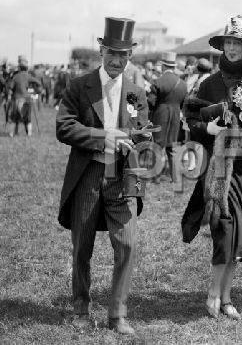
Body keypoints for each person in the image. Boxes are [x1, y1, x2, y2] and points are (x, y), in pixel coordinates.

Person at [181, 15, 242, 321]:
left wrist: (239, 135)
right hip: (218, 170)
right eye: (229, 42)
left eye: (239, 43)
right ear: (223, 45)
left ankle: (226, 297)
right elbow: (192, 119)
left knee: (241, 237)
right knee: (223, 231)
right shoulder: (208, 83)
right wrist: (207, 130)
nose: (233, 48)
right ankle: (212, 294)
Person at [56, 17, 148, 335]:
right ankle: (80, 308)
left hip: (121, 178)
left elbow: (143, 136)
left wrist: (134, 174)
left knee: (128, 244)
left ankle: (117, 314)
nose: (116, 60)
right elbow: (64, 126)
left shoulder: (136, 94)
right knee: (82, 246)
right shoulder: (80, 86)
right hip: (88, 174)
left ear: (130, 57)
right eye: (111, 53)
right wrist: (103, 136)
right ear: (101, 50)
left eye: (122, 55)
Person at [148, 51, 187, 182]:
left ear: (163, 66)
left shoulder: (157, 81)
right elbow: (183, 103)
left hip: (160, 114)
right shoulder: (182, 83)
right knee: (173, 147)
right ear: (173, 66)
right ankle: (176, 177)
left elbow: (151, 102)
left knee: (157, 146)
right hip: (176, 115)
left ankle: (156, 177)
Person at [6, 55, 41, 137]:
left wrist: (9, 96)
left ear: (19, 67)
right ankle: (29, 134)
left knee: (14, 117)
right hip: (27, 99)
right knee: (27, 118)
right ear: (26, 68)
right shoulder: (29, 76)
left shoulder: (15, 77)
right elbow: (38, 83)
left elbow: (10, 88)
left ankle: (11, 134)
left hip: (17, 99)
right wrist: (35, 92)